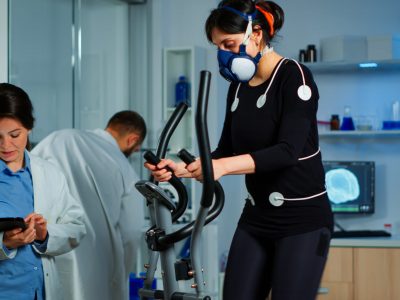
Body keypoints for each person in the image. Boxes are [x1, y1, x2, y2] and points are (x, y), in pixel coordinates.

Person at [145, 1, 334, 299]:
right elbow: (226, 151)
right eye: (218, 46)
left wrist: (220, 168)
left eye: (229, 44)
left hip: (302, 220)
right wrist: (183, 168)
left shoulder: (294, 76)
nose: (224, 54)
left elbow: (288, 151)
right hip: (257, 218)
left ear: (256, 34)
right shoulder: (239, 87)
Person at [32, 110, 146, 300]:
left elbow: (27, 176)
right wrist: (120, 274)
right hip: (99, 267)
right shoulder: (125, 169)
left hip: (51, 251)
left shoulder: (59, 138)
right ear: (132, 140)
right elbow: (132, 233)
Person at [0, 83, 86, 300]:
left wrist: (45, 235)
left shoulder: (49, 172)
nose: (6, 145)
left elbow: (76, 227)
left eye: (14, 134)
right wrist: (5, 244)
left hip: (41, 292)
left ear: (29, 127)